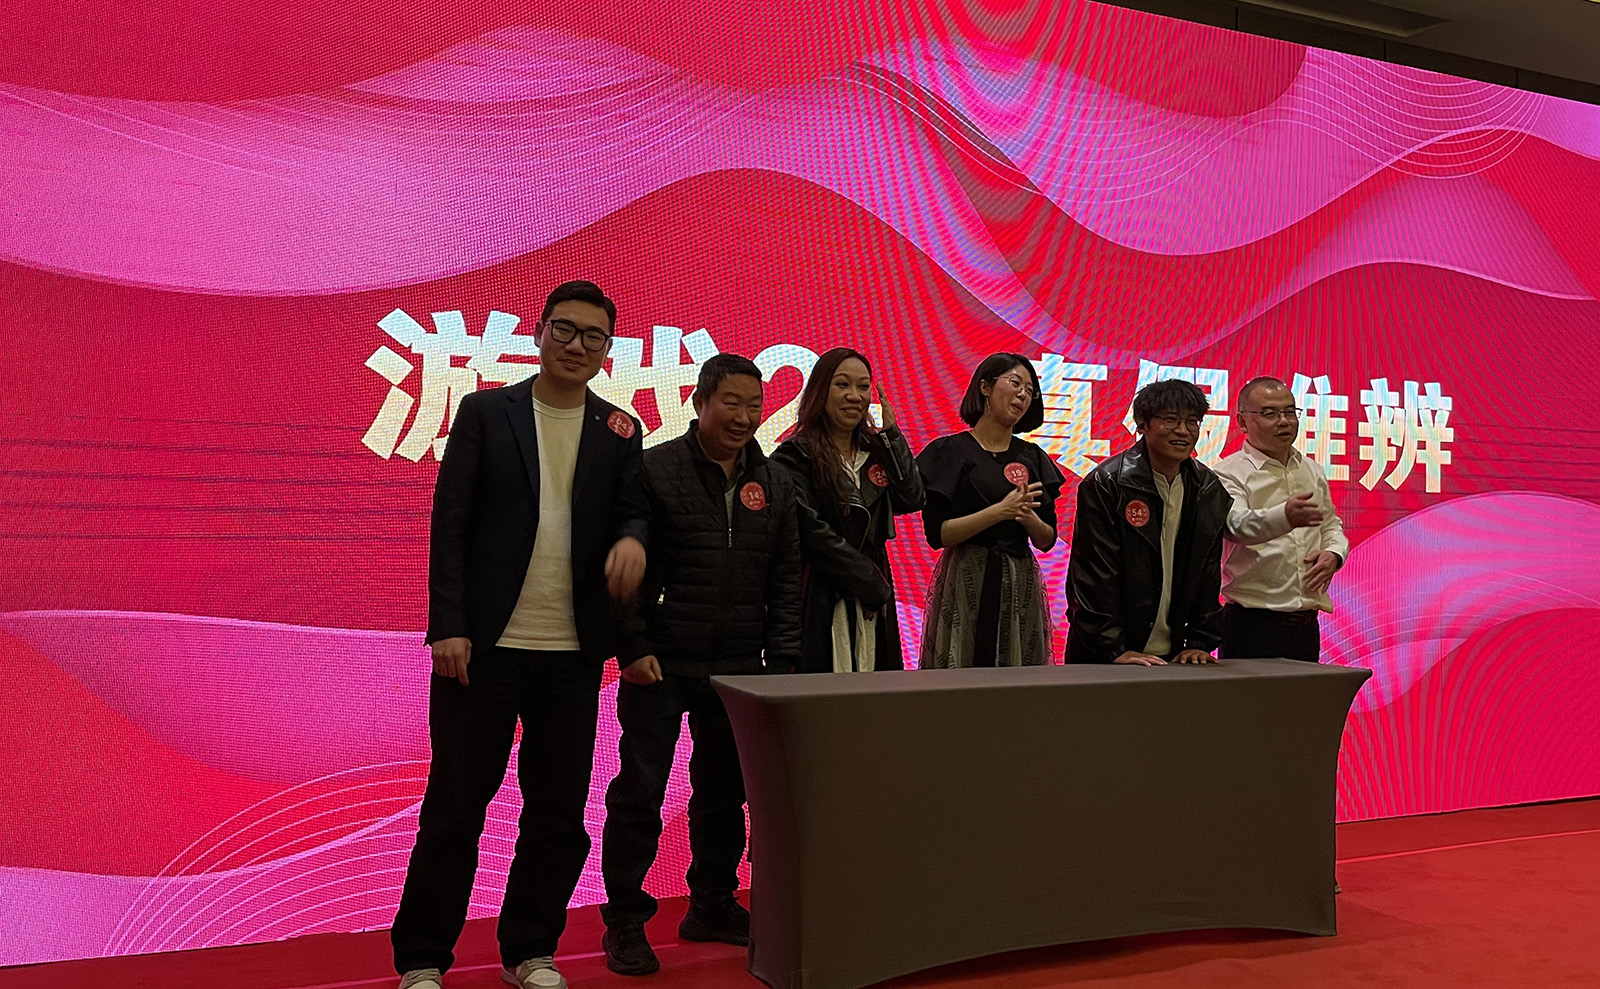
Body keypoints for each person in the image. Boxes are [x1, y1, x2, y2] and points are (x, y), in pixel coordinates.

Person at [392, 281, 649, 989]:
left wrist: (632, 540)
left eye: (593, 336)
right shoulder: (486, 412)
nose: (577, 345)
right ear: (538, 333)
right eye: (564, 329)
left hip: (571, 655)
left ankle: (530, 949)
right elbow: (451, 525)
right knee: (455, 807)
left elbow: (633, 511)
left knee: (558, 813)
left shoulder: (620, 429)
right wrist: (449, 626)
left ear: (607, 349)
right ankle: (422, 957)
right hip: (483, 650)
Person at [600, 354, 803, 976]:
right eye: (731, 403)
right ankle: (626, 921)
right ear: (700, 402)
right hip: (661, 663)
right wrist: (632, 647)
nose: (744, 417)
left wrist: (783, 663)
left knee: (724, 794)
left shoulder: (774, 481)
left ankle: (711, 904)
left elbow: (786, 578)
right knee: (641, 792)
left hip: (739, 667)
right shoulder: (655, 468)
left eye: (754, 406)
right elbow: (624, 569)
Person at [770, 347, 924, 673]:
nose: (855, 396)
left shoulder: (877, 450)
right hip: (822, 590)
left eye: (863, 386)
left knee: (874, 689)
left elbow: (912, 498)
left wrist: (892, 437)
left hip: (874, 591)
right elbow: (813, 534)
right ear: (820, 391)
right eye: (842, 385)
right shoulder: (794, 456)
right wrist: (869, 582)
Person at [1065, 379, 1230, 666]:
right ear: (1142, 424)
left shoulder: (1207, 488)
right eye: (1171, 419)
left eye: (1192, 421)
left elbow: (1207, 571)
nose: (1183, 430)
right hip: (1106, 654)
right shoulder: (1108, 483)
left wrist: (1200, 642)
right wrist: (1113, 648)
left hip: (1175, 656)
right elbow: (1094, 574)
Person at [916, 353, 1064, 668]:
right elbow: (938, 534)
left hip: (1019, 578)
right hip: (966, 576)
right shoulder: (950, 451)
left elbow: (1047, 539)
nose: (1023, 395)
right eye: (1015, 383)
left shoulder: (1033, 457)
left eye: (1030, 390)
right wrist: (999, 511)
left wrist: (1027, 517)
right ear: (985, 387)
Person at [1214, 376, 1349, 661]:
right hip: (1251, 625)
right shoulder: (1228, 473)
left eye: (1290, 412)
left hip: (1306, 624)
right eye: (1269, 414)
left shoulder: (1311, 469)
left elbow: (1330, 524)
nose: (1284, 422)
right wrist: (1284, 517)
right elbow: (1236, 525)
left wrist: (1334, 554)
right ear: (1242, 421)